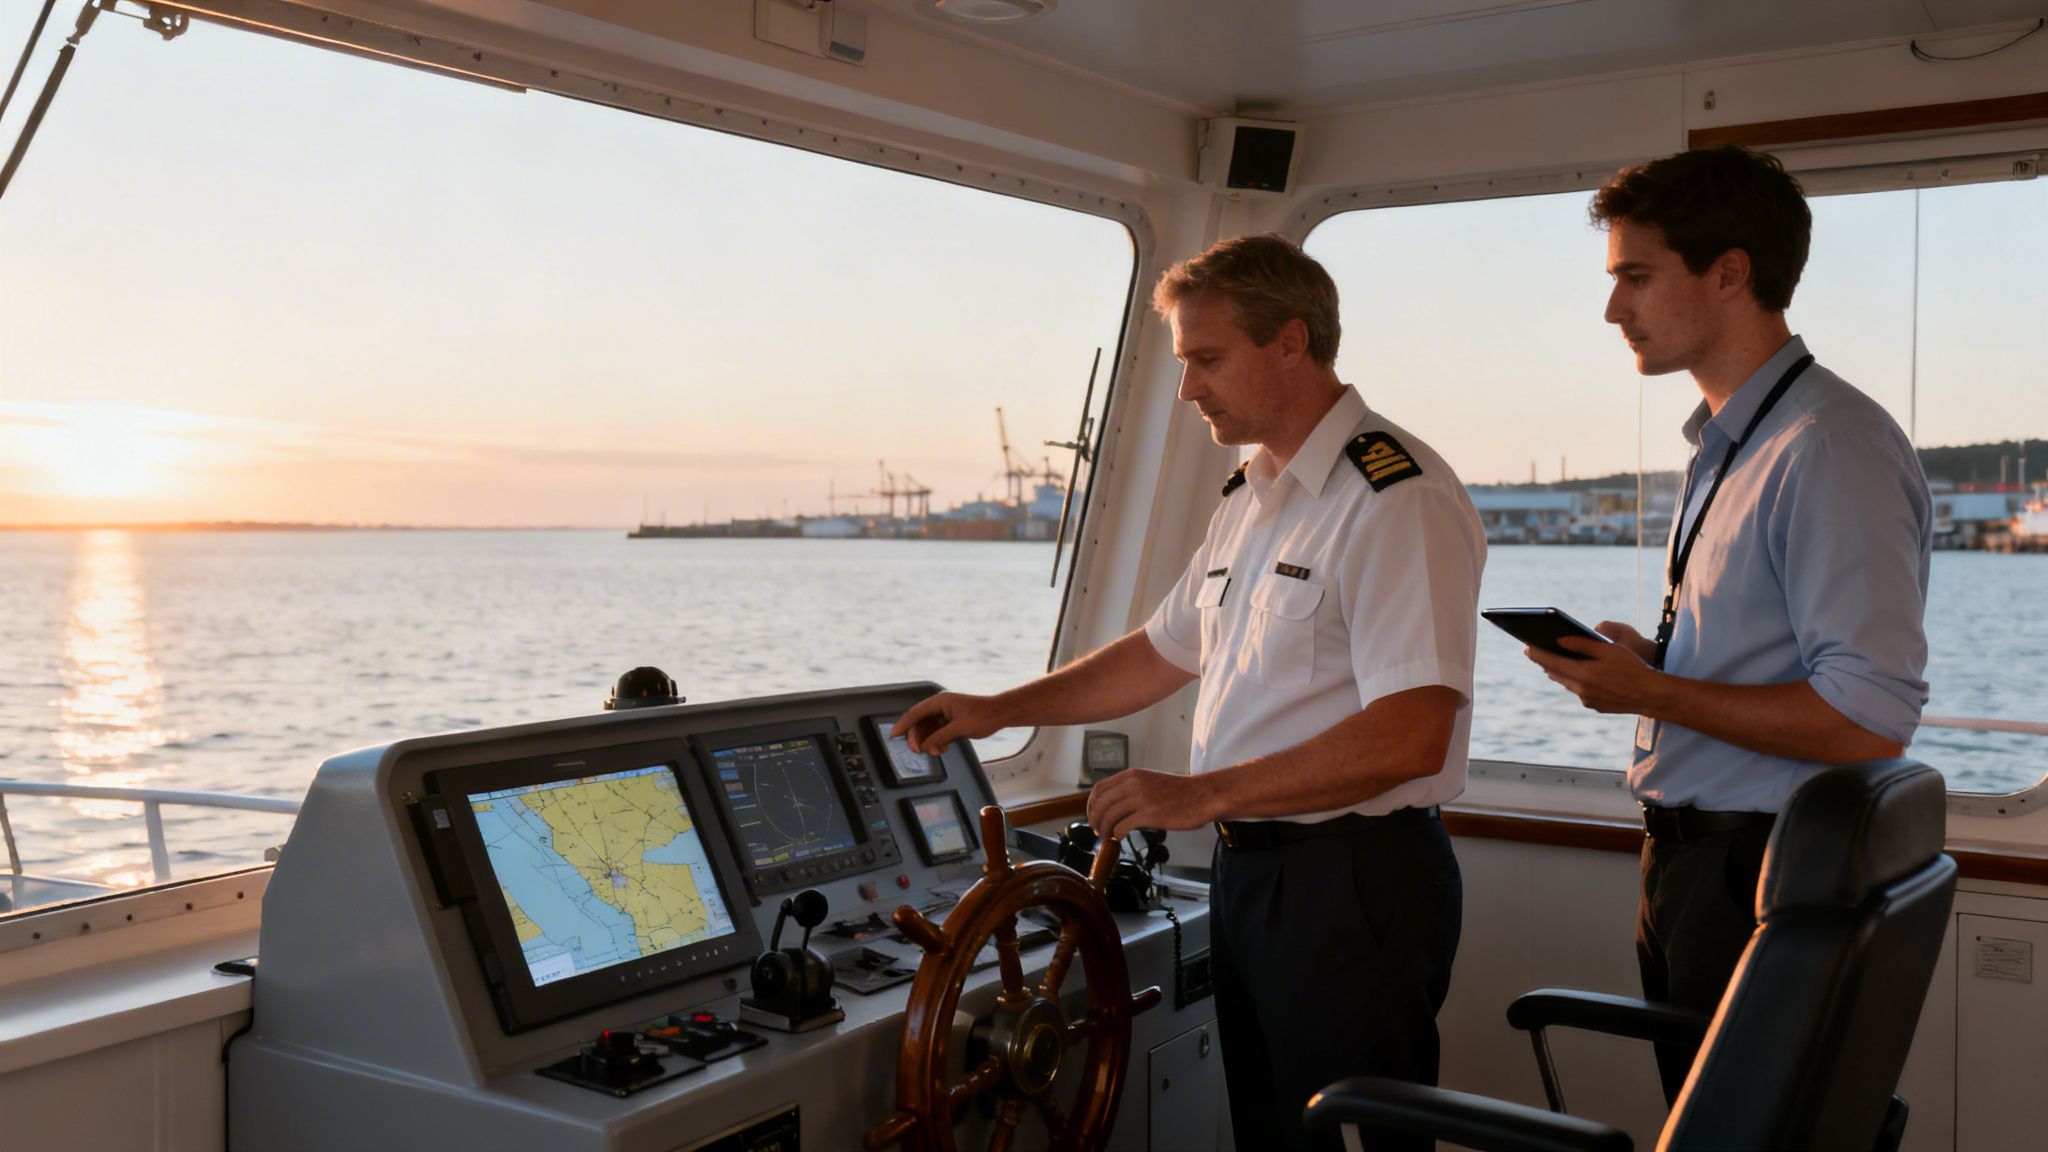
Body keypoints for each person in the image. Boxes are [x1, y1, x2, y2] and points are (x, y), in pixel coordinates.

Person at [894, 233, 1484, 1151]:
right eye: (1182, 362)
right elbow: (1160, 653)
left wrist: (1200, 793)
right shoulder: (1251, 500)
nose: (1186, 390)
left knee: (1360, 1139)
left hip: (1354, 882)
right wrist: (1003, 708)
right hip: (1253, 873)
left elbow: (1413, 737)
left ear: (1291, 342)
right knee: (1274, 1136)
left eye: (1207, 359)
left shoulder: (1391, 496)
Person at [1524, 145, 1932, 1101]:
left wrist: (1653, 692)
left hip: (1759, 871)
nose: (1613, 308)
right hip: (1690, 864)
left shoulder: (1828, 446)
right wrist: (1659, 664)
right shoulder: (1730, 441)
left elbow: (1867, 721)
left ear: (1730, 272)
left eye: (1635, 275)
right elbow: (1772, 659)